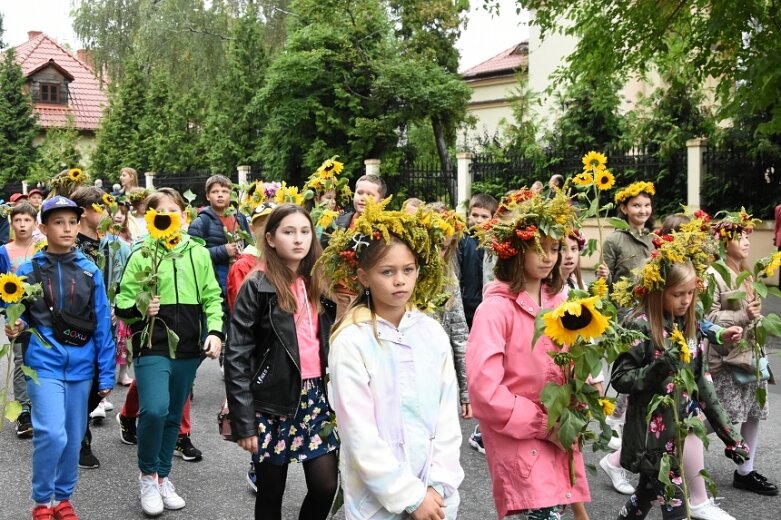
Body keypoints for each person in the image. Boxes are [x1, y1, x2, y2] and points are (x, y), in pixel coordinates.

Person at [323, 200, 464, 519]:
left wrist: (437, 486)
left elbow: (446, 417)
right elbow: (358, 431)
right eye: (387, 272)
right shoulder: (352, 340)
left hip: (436, 499)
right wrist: (409, 496)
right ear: (363, 276)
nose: (400, 280)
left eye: (408, 270)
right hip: (377, 503)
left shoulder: (431, 332)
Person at [466, 188, 588, 519]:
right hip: (521, 438)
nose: (549, 257)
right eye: (538, 248)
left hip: (558, 432)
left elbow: (575, 362)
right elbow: (485, 391)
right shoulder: (495, 311)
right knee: (543, 511)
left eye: (553, 248)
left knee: (553, 508)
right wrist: (543, 421)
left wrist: (583, 392)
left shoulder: (562, 303)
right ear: (514, 251)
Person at [610, 231, 749, 519]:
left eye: (690, 293)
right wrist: (661, 366)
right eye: (677, 294)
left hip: (681, 434)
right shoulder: (640, 326)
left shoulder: (690, 327)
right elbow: (621, 379)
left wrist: (731, 437)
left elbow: (703, 387)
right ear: (658, 291)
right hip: (652, 438)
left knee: (646, 494)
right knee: (676, 506)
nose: (685, 301)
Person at [225, 204, 339, 520]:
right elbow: (236, 355)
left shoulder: (318, 279)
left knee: (325, 486)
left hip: (316, 398)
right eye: (289, 232)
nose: (299, 239)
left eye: (305, 231)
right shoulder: (258, 284)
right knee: (271, 494)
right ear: (272, 239)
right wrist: (244, 421)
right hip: (271, 401)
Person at [115, 188, 224, 516]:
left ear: (184, 216)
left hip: (189, 346)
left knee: (174, 414)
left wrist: (216, 332)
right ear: (151, 219)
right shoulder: (142, 253)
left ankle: (163, 477)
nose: (168, 219)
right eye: (160, 214)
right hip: (151, 343)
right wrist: (140, 307)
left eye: (173, 212)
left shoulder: (199, 254)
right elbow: (121, 302)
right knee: (156, 409)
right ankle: (147, 476)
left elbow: (212, 297)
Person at [6, 195, 114, 520]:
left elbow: (102, 324)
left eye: (71, 222)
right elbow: (19, 314)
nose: (66, 229)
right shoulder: (28, 270)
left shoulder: (90, 271)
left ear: (78, 225)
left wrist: (106, 374)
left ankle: (62, 499)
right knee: (52, 433)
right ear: (43, 227)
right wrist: (16, 325)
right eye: (58, 222)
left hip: (81, 369)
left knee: (73, 438)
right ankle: (41, 500)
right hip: (43, 366)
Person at [707, 214, 778, 496]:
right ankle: (675, 450)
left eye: (748, 236)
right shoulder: (713, 274)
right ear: (724, 243)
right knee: (717, 416)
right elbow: (707, 316)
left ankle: (745, 471)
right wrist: (742, 315)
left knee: (753, 412)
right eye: (741, 237)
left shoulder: (747, 273)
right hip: (726, 358)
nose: (747, 241)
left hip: (750, 355)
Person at [457, 192, 497, 454]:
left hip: (486, 307)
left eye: (484, 216)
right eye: (475, 215)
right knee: (467, 355)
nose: (478, 220)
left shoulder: (494, 243)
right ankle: (467, 394)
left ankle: (481, 412)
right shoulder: (463, 240)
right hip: (465, 306)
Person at [0, 202, 44, 439]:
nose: (22, 225)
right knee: (19, 359)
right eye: (17, 220)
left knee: (39, 358)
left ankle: (40, 404)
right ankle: (23, 412)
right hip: (15, 312)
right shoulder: (4, 251)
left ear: (35, 223)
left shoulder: (42, 248)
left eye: (26, 220)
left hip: (40, 313)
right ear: (11, 223)